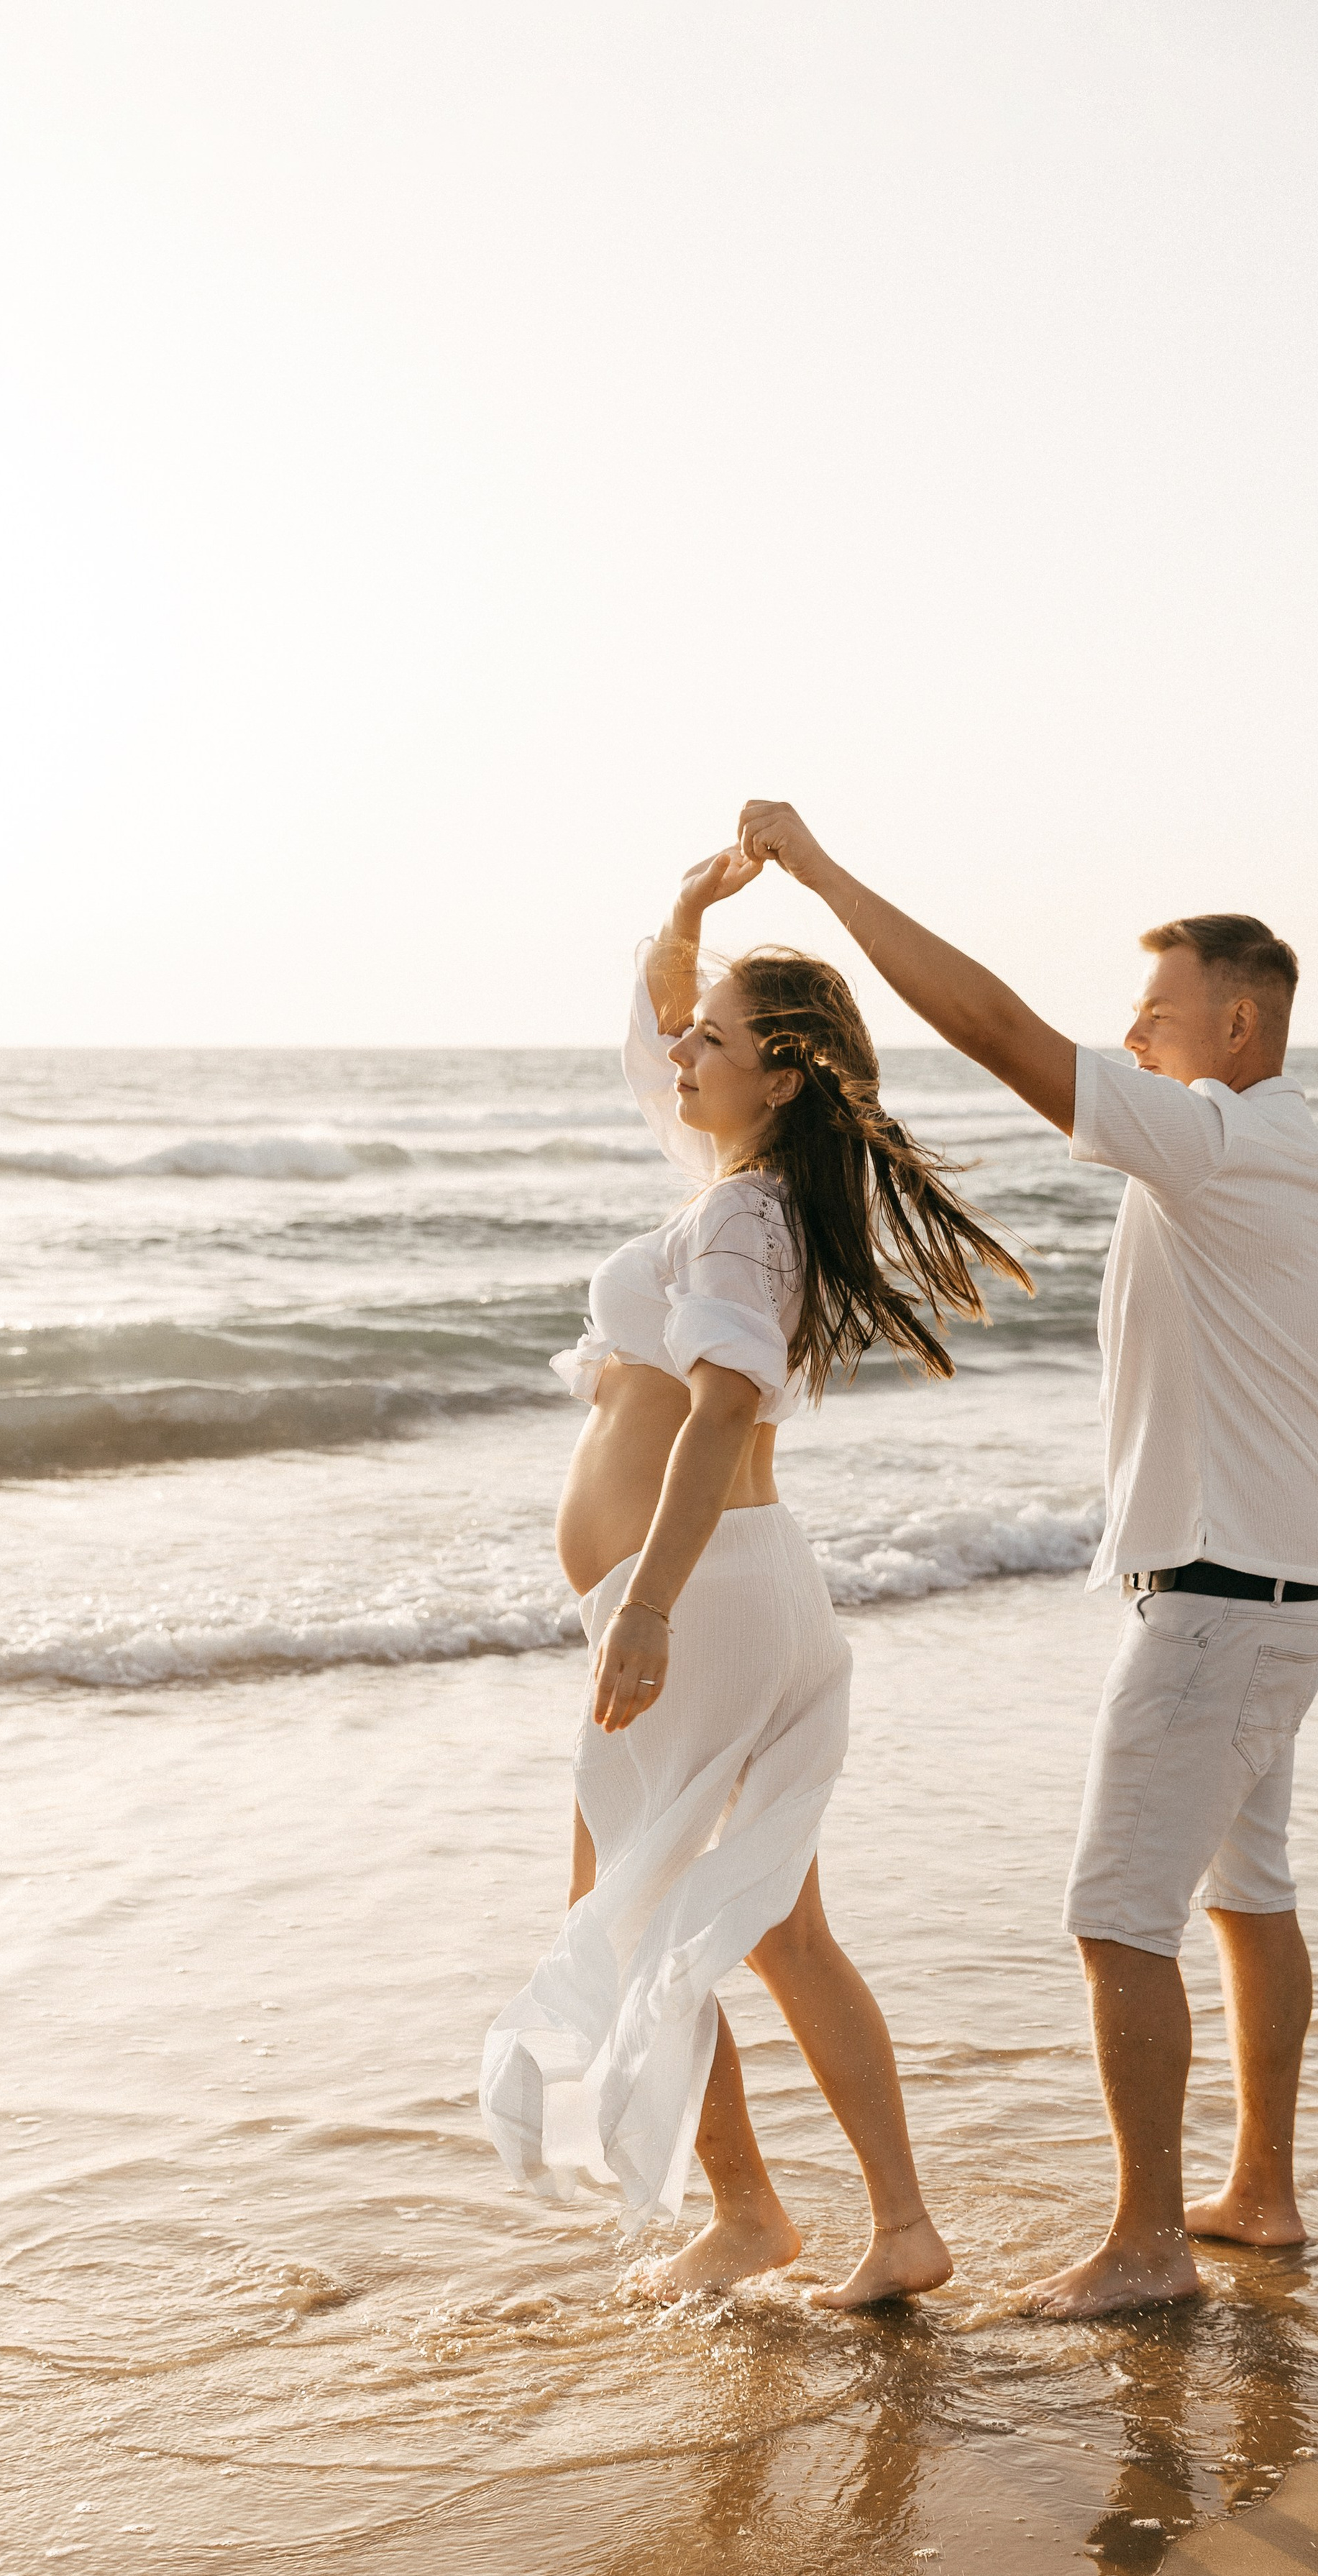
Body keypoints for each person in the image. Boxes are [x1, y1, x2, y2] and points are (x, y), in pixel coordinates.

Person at [734, 800, 1318, 2321]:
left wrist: (821, 874)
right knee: (1249, 1894)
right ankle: (1259, 2192)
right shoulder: (1308, 1168)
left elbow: (997, 1032)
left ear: (1234, 1024)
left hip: (1214, 1607)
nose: (1130, 1040)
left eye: (1155, 1014)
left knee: (1116, 1916)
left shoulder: (1216, 1142)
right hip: (1284, 1596)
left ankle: (1148, 2243)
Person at [480, 844, 1032, 2307]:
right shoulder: (747, 1191)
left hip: (702, 1597)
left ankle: (748, 2212)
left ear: (780, 1077)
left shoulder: (739, 1214)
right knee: (779, 1924)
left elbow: (720, 1410)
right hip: (741, 1588)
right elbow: (657, 1037)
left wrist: (645, 1604)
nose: (680, 1053)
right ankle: (888, 2223)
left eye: (712, 1041)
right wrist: (685, 919)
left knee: (633, 1909)